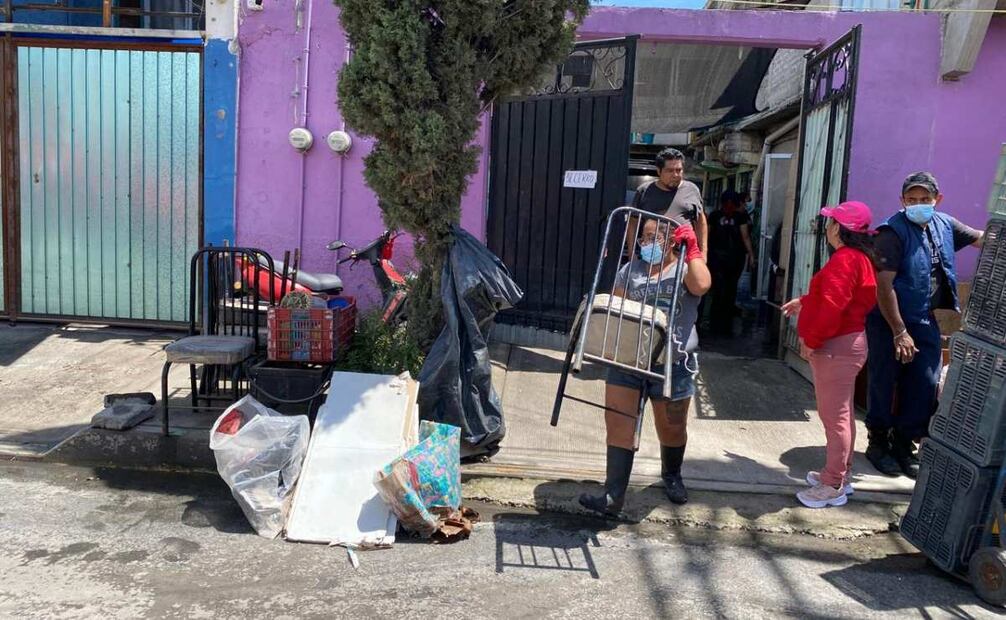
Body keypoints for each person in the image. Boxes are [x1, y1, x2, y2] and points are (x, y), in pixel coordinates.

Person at [579, 218, 711, 516]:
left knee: (672, 428)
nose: (647, 244)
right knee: (619, 422)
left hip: (673, 363)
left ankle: (672, 474)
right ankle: (613, 496)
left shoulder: (685, 271)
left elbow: (702, 285)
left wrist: (693, 249)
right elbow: (616, 307)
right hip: (628, 359)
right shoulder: (631, 271)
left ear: (671, 241)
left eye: (655, 238)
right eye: (644, 239)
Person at [865, 172, 983, 478]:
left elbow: (981, 238)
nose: (919, 204)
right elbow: (883, 286)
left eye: (925, 199)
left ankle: (905, 443)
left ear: (937, 200)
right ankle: (878, 442)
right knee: (885, 379)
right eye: (912, 199)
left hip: (923, 318)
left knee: (924, 382)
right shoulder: (891, 232)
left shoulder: (945, 224)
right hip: (889, 321)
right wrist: (898, 332)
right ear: (902, 201)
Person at [783, 202, 878, 508]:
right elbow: (833, 298)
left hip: (836, 347)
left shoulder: (845, 259)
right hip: (846, 345)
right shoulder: (857, 258)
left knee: (834, 417)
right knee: (842, 415)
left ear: (839, 228)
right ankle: (839, 475)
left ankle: (832, 483)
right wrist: (805, 302)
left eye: (830, 221)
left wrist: (812, 339)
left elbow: (833, 306)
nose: (826, 226)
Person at [706, 190, 756, 336]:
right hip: (734, 259)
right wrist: (752, 255)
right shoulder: (740, 217)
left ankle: (714, 325)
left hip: (716, 258)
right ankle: (725, 327)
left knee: (717, 292)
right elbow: (745, 237)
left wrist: (703, 254)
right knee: (730, 291)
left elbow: (707, 236)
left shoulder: (715, 216)